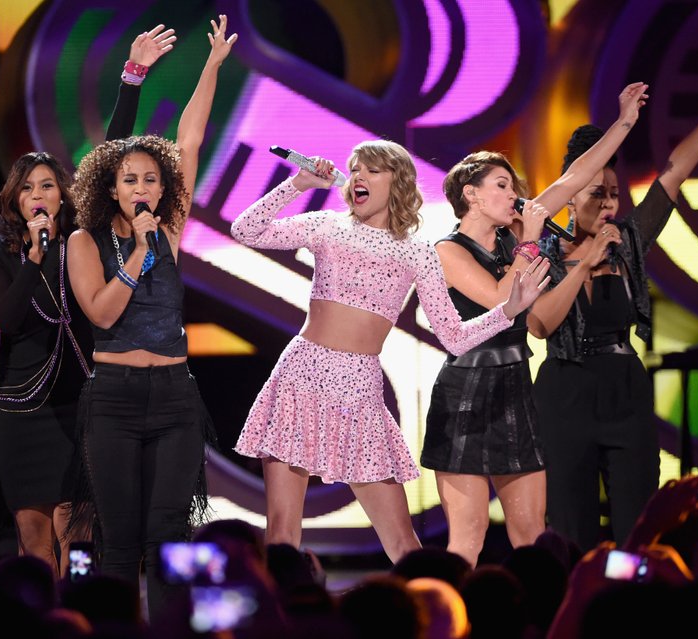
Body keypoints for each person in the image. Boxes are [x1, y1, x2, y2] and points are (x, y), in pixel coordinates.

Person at [230, 139, 551, 562]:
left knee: (403, 544)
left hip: (360, 389)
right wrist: (299, 184)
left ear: (397, 182)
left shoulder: (418, 253)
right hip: (301, 378)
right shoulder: (327, 226)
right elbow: (244, 230)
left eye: (372, 170)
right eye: (355, 169)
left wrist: (507, 311)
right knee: (282, 533)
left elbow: (453, 337)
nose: (359, 176)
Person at [0, 24, 177, 577]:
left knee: (76, 532)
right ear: (14, 199)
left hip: (77, 403)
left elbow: (111, 153)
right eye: (28, 188)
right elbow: (8, 318)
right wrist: (33, 259)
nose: (39, 196)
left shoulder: (79, 240)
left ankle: (83, 619)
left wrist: (132, 76)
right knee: (34, 539)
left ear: (63, 194)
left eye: (47, 186)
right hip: (20, 410)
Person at [421, 82, 650, 565]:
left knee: (534, 538)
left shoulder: (513, 236)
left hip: (515, 385)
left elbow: (576, 176)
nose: (515, 194)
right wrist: (530, 240)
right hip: (467, 390)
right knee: (469, 537)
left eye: (515, 186)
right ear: (472, 196)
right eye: (502, 186)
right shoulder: (446, 250)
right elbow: (501, 300)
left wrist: (624, 123)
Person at [529, 57, 698, 553]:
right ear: (569, 196)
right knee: (570, 528)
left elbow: (676, 169)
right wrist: (583, 265)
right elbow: (540, 327)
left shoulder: (629, 240)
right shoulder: (541, 251)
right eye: (595, 195)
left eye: (612, 195)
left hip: (624, 391)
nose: (608, 205)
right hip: (564, 392)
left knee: (638, 529)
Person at [65, 15, 236, 620]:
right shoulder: (84, 242)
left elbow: (189, 139)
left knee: (169, 538)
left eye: (151, 179)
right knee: (119, 542)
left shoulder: (170, 228)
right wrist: (137, 253)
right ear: (111, 188)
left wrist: (211, 66)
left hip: (173, 395)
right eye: (129, 178)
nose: (141, 185)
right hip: (112, 395)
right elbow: (103, 311)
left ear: (164, 190)